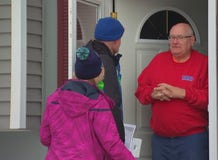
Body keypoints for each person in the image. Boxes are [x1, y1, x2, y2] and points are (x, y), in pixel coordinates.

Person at [40, 46, 135, 160]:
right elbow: (112, 144)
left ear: (76, 72)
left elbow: (45, 137)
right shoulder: (98, 104)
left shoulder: (54, 99)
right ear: (99, 72)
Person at [135, 23, 209, 160]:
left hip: (192, 140)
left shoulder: (204, 63)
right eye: (172, 37)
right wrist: (152, 94)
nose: (175, 42)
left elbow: (210, 99)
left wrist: (182, 93)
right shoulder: (159, 60)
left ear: (192, 40)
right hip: (160, 141)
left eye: (180, 37)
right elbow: (140, 91)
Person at [85, 17, 126, 142]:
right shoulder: (105, 62)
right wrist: (120, 139)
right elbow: (111, 102)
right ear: (115, 40)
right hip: (103, 135)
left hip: (88, 132)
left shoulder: (88, 55)